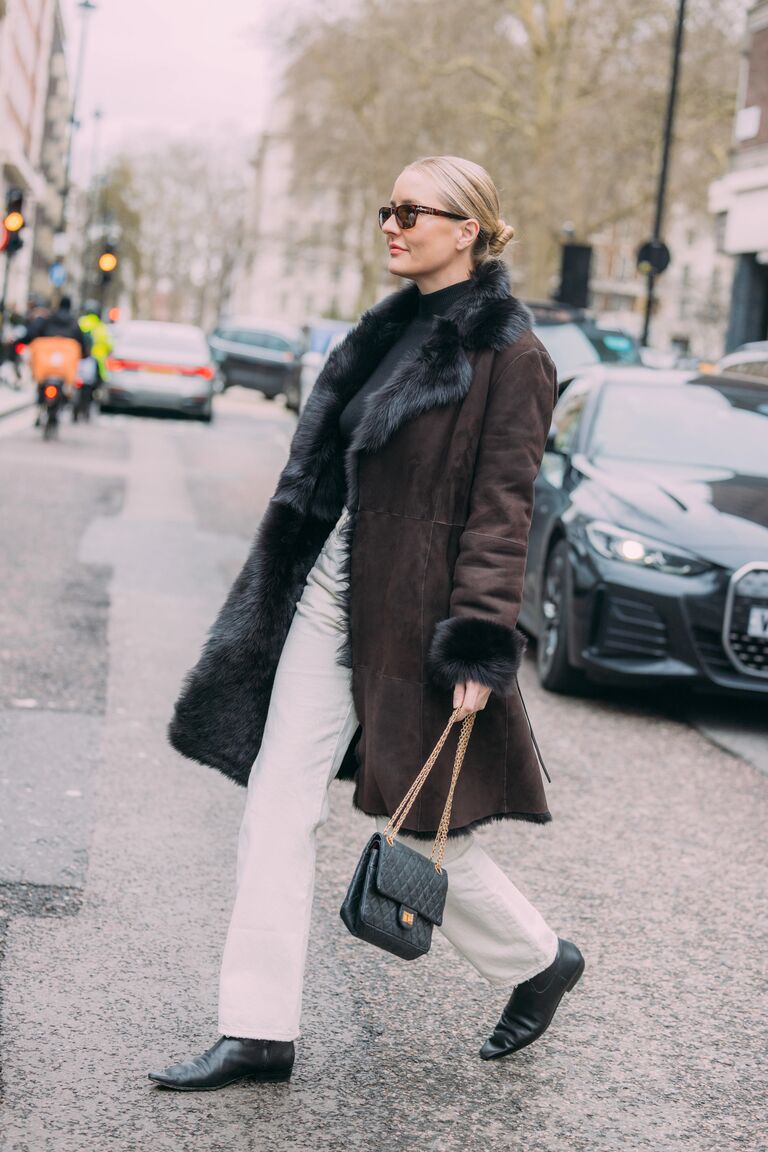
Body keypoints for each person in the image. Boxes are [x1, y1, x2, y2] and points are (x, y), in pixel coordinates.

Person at [149, 155, 584, 1092]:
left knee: (424, 818)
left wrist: (478, 639)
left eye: (413, 211)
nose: (392, 223)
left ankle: (539, 959)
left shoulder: (511, 355)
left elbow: (504, 508)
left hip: (416, 611)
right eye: (387, 207)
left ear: (467, 228)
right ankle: (257, 1029)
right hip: (328, 592)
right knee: (277, 801)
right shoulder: (385, 331)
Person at [24, 296, 90, 424]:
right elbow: (81, 342)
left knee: (40, 383)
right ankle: (63, 401)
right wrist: (84, 353)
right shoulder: (73, 323)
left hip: (45, 364)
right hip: (64, 367)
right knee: (68, 387)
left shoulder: (48, 319)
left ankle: (39, 408)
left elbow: (33, 334)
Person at [78, 301, 113, 383]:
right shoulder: (101, 327)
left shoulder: (80, 323)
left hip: (79, 363)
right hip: (97, 366)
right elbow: (110, 345)